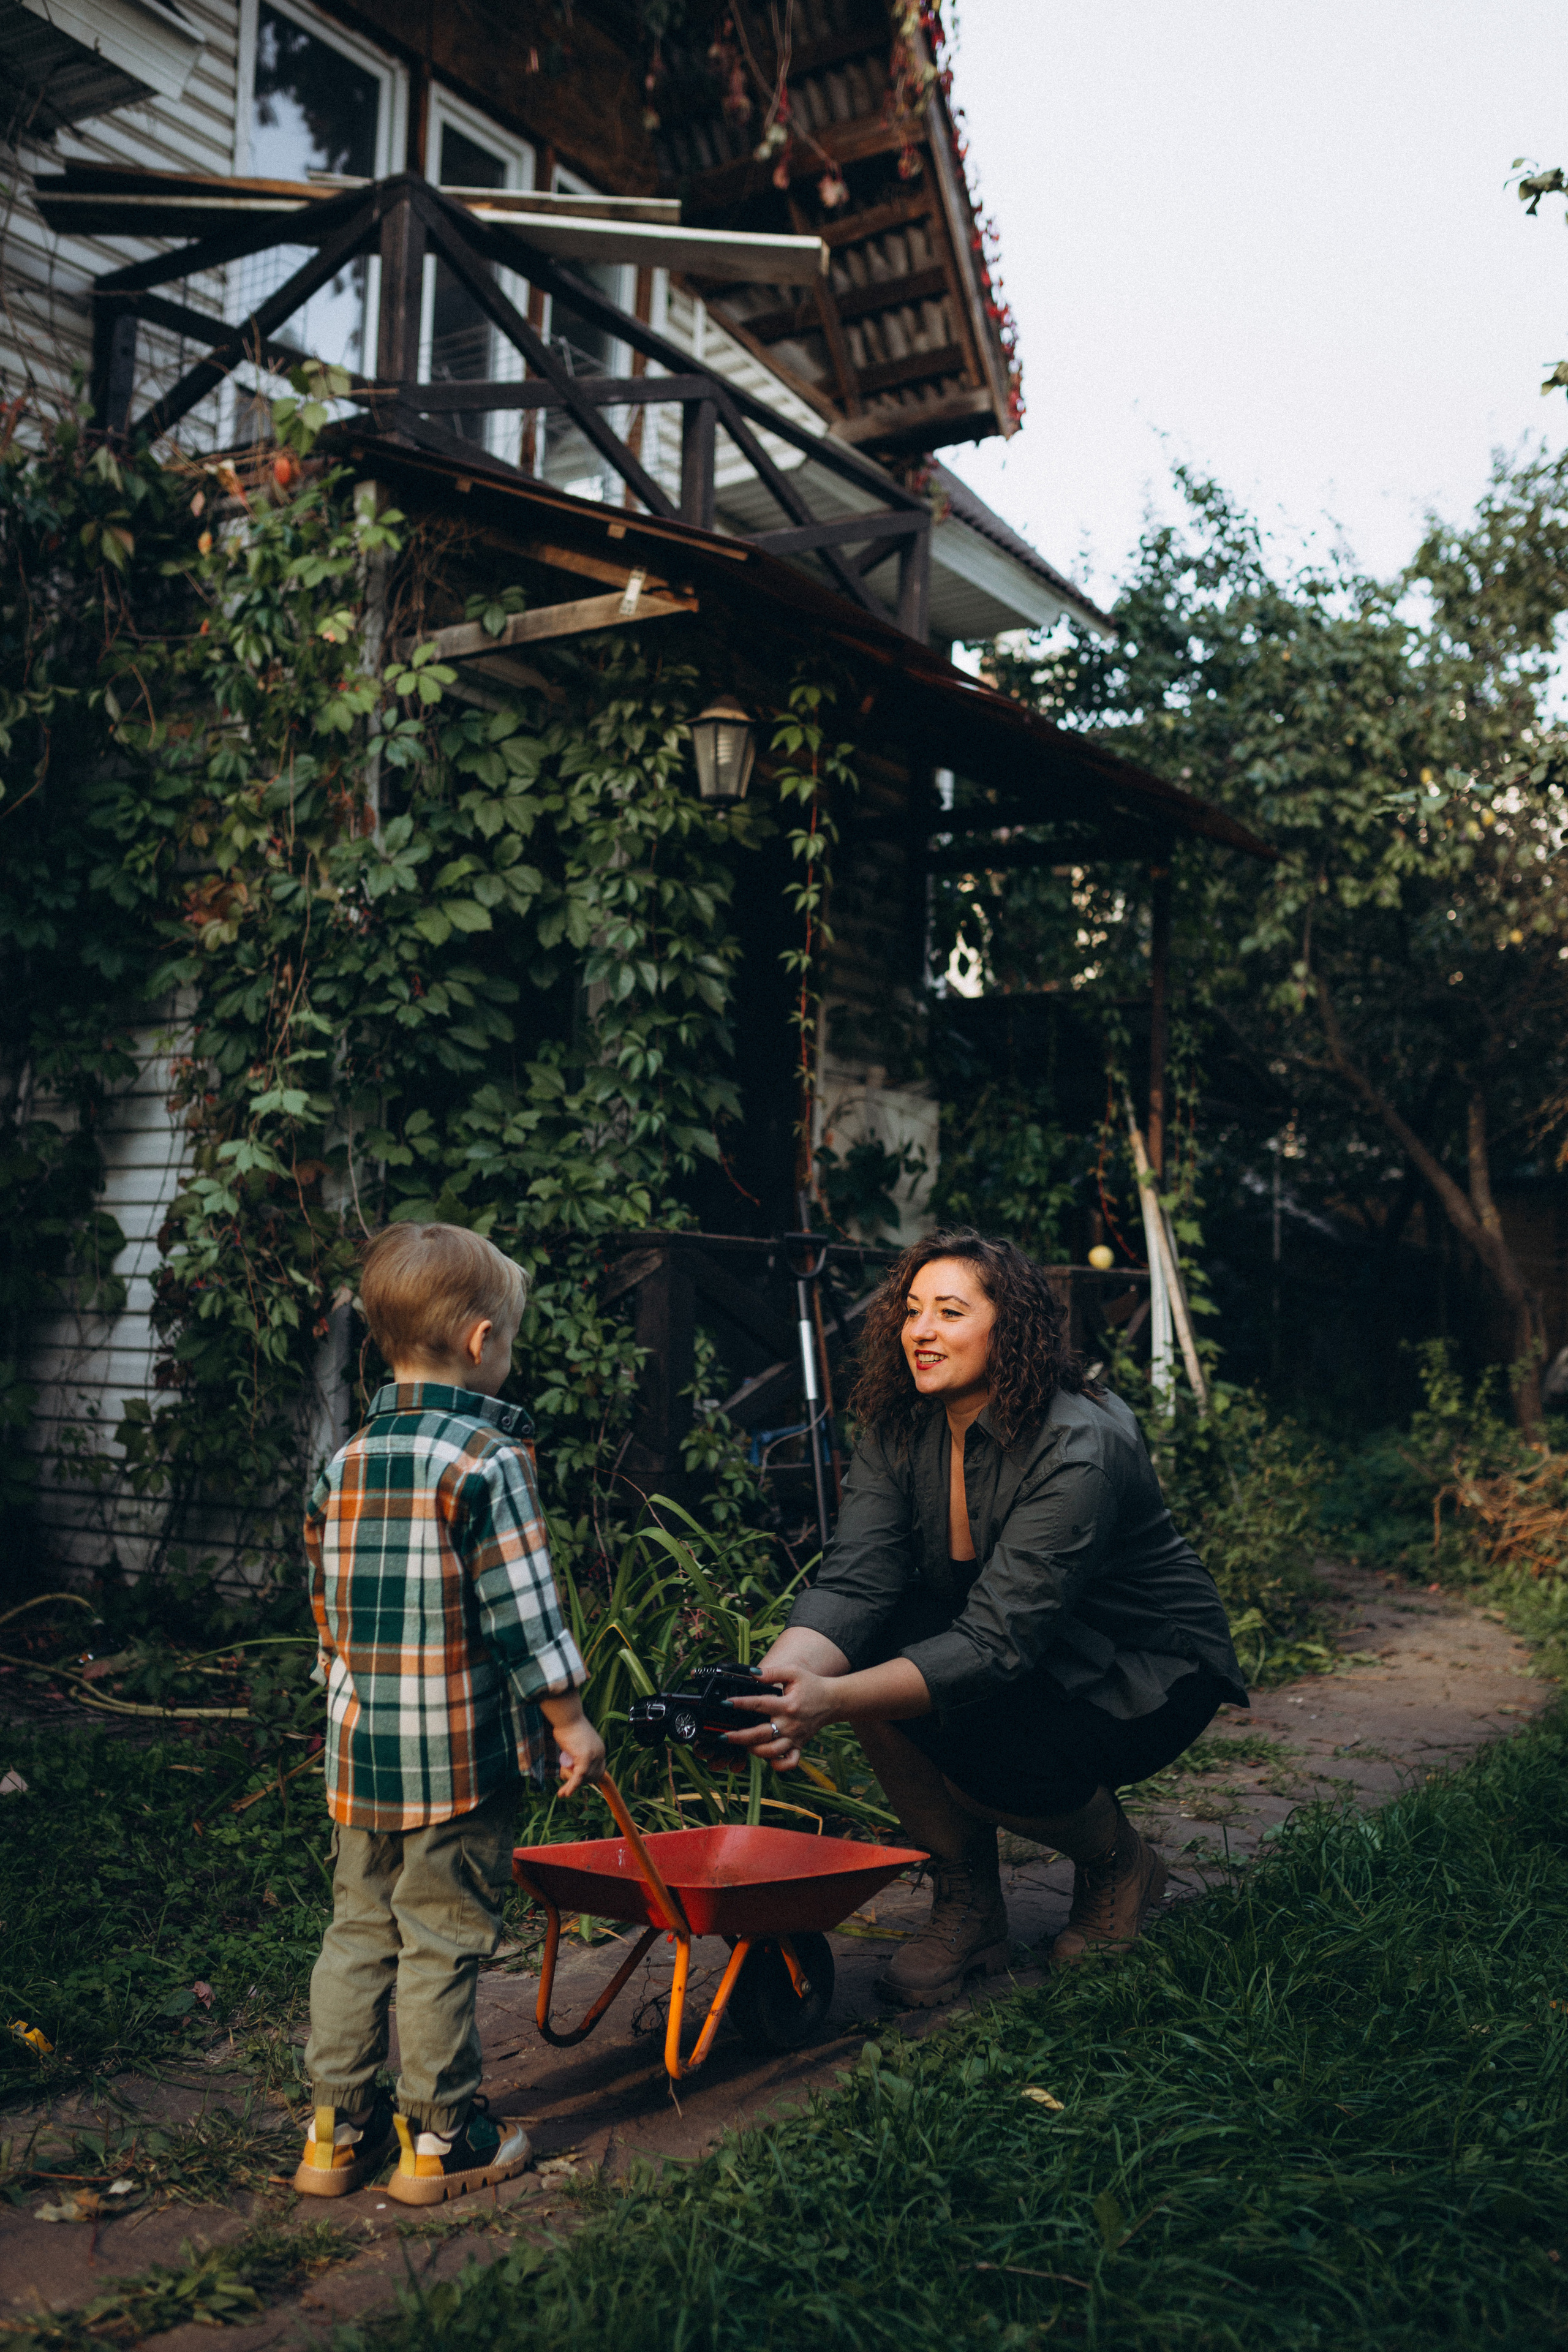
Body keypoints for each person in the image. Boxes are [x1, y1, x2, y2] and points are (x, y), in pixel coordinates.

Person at [728, 1230, 1246, 2008]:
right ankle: (969, 1903)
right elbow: (857, 1578)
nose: (921, 1330)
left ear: (1012, 1328)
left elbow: (998, 1643)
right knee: (868, 1657)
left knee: (989, 1762)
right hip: (1034, 1645)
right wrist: (781, 1681)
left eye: (949, 1311)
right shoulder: (903, 1423)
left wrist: (830, 1702)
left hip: (1147, 1666)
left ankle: (1118, 1866)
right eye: (910, 1311)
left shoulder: (1079, 1443)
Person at [292, 1222, 604, 2204]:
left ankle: (334, 2134)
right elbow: (525, 1611)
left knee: (358, 1930)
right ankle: (439, 2138)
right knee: (441, 1934)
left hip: (361, 1749)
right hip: (458, 1757)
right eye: (507, 1338)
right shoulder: (486, 1460)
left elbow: (325, 1611)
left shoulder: (342, 1463)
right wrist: (569, 1720)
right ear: (480, 1342)